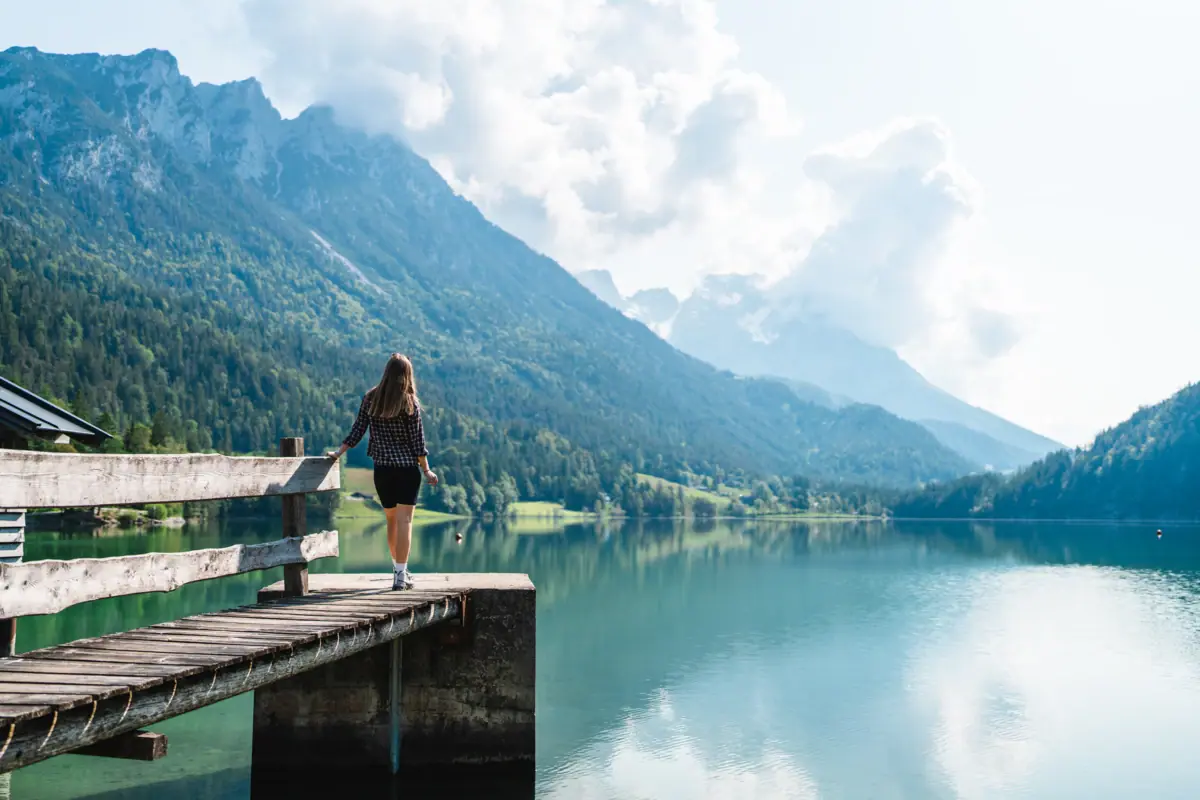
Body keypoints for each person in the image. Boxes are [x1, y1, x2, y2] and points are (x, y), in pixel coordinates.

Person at [327, 353, 438, 590]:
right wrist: (427, 470)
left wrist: (339, 452)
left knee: (391, 520)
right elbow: (418, 443)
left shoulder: (371, 399)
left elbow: (357, 430)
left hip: (383, 470)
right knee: (405, 521)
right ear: (407, 375)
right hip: (407, 470)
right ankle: (401, 574)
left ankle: (397, 569)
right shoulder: (409, 402)